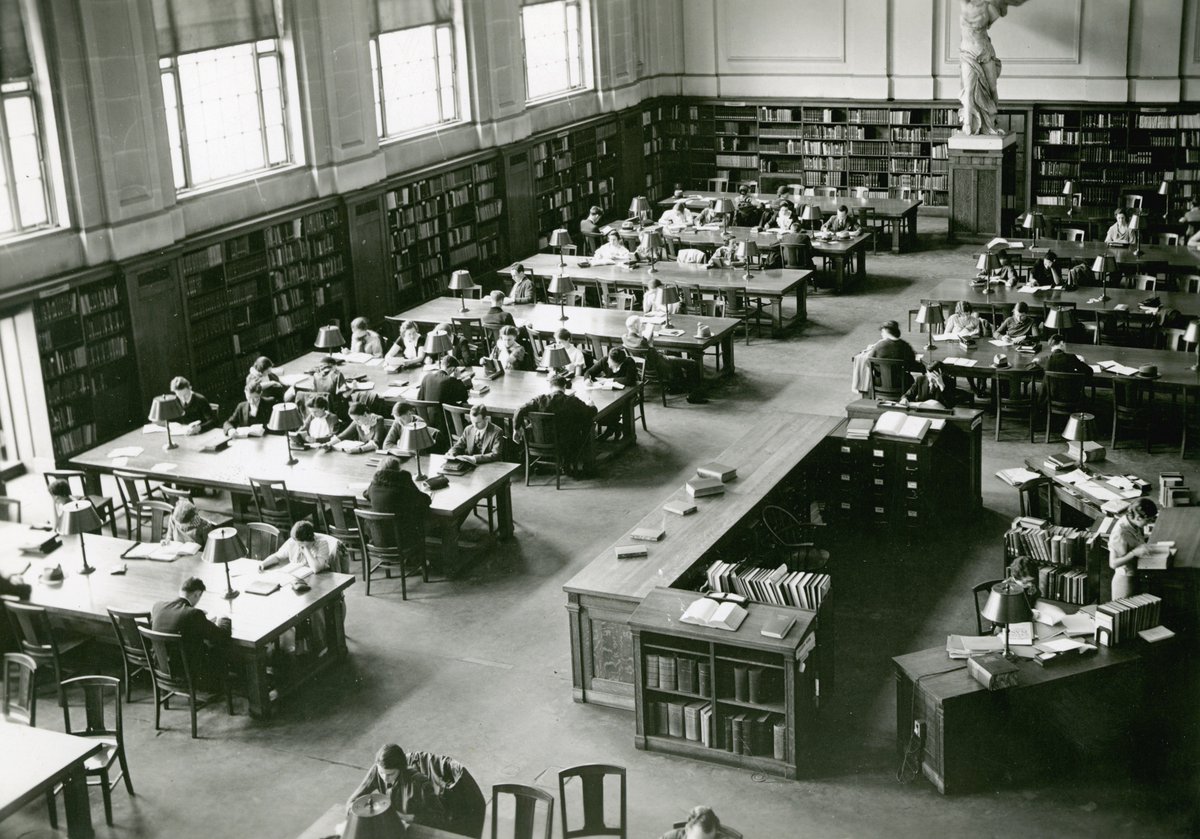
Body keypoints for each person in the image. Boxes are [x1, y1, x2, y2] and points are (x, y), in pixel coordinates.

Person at [958, 1, 1028, 136]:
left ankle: (991, 122)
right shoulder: (965, 5)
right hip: (968, 54)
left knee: (992, 88)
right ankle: (968, 121)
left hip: (985, 52)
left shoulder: (988, 8)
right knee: (969, 91)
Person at [151, 577, 231, 685]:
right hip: (186, 671)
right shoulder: (194, 615)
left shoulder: (157, 606)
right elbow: (222, 636)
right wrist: (224, 618)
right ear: (197, 594)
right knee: (219, 647)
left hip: (160, 666)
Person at [513, 374, 597, 475]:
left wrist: (516, 429)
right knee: (588, 424)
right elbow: (590, 413)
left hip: (540, 441)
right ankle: (584, 465)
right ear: (565, 387)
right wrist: (591, 405)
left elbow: (519, 410)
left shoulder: (540, 400)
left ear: (550, 387)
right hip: (565, 444)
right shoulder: (572, 401)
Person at [347, 744, 445, 828]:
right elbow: (351, 802)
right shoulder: (376, 771)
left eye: (391, 774)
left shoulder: (419, 783)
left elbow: (440, 818)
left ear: (401, 769)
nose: (385, 778)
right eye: (382, 773)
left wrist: (407, 817)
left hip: (415, 827)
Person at [623, 314, 708, 404]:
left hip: (644, 368)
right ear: (636, 326)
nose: (642, 326)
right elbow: (653, 353)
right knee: (693, 364)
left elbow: (646, 348)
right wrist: (650, 337)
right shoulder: (642, 342)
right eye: (641, 324)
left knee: (673, 354)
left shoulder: (625, 338)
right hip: (660, 366)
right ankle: (694, 396)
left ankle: (676, 387)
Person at [363, 458, 431, 547]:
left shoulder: (374, 484)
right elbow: (425, 500)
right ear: (398, 469)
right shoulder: (403, 481)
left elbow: (365, 494)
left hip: (379, 539)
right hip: (403, 540)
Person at [1108, 498, 1158, 599]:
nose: (1148, 523)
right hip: (1125, 578)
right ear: (1139, 517)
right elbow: (1113, 564)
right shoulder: (1120, 533)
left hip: (1136, 572)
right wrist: (1135, 552)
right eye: (1147, 520)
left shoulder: (1133, 521)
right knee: (1125, 611)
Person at [586, 347, 638, 441]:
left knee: (613, 408)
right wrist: (587, 379)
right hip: (608, 393)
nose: (608, 364)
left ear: (619, 362)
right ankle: (615, 427)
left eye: (611, 362)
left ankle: (613, 429)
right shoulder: (605, 360)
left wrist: (610, 380)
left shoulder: (629, 362)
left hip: (627, 393)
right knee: (600, 407)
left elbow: (630, 380)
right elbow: (589, 372)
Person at [261, 520, 341, 574]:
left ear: (311, 539)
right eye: (297, 543)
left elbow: (316, 568)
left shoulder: (322, 544)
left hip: (320, 578)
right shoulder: (294, 541)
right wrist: (263, 564)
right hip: (299, 576)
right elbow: (277, 556)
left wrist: (306, 550)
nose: (298, 546)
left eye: (301, 544)